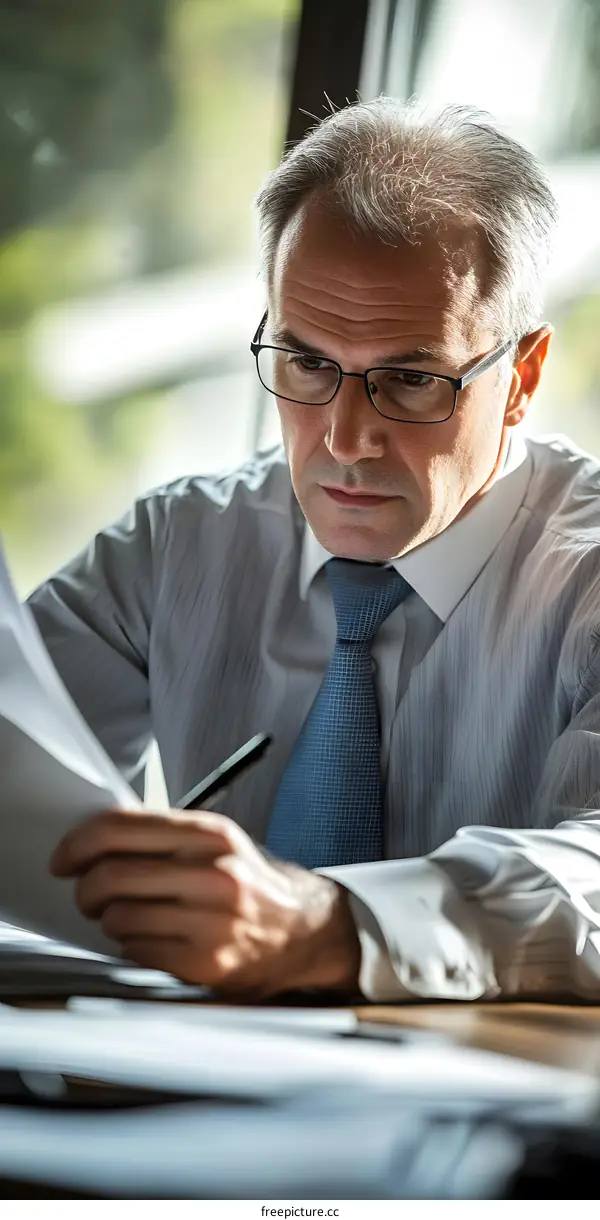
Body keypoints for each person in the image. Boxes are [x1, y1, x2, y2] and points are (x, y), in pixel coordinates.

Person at [32, 97, 600, 1003]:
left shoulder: (589, 582)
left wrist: (326, 927)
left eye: (410, 380)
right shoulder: (178, 547)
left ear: (522, 377)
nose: (344, 440)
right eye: (306, 364)